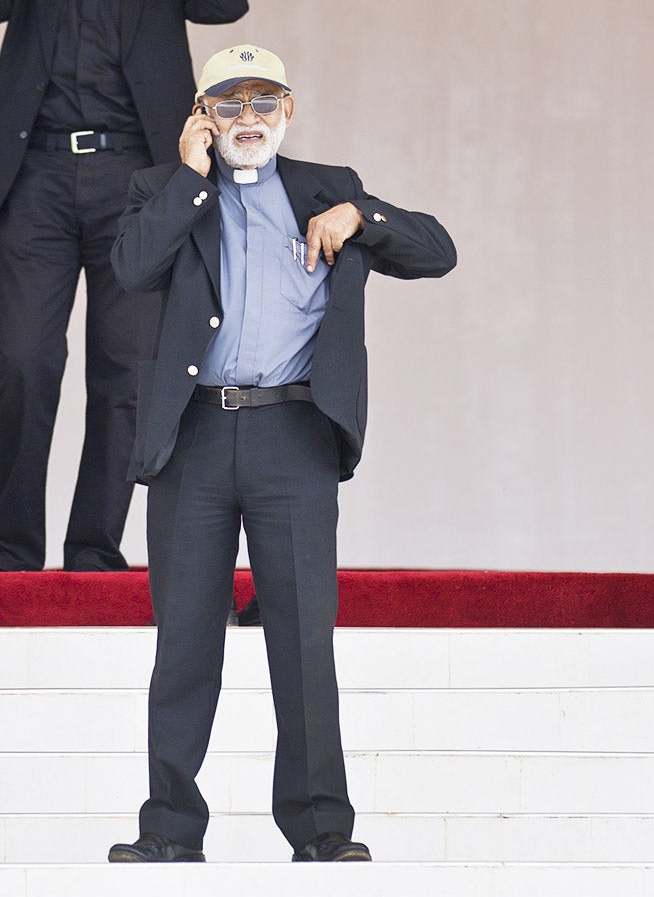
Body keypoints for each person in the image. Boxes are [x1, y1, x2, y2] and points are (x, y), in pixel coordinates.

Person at [106, 45, 456, 863]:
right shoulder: (163, 189)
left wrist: (362, 217)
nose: (248, 119)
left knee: (303, 638)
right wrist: (193, 178)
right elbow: (131, 268)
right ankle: (169, 831)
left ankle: (321, 829)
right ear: (202, 116)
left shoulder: (327, 186)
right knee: (185, 637)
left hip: (292, 436)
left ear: (289, 113)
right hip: (192, 436)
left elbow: (436, 251)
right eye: (228, 104)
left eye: (265, 102)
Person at [0, 0, 249, 573]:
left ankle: (92, 549)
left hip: (135, 184)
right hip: (38, 180)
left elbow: (227, 0)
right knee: (24, 364)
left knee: (126, 372)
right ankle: (13, 549)